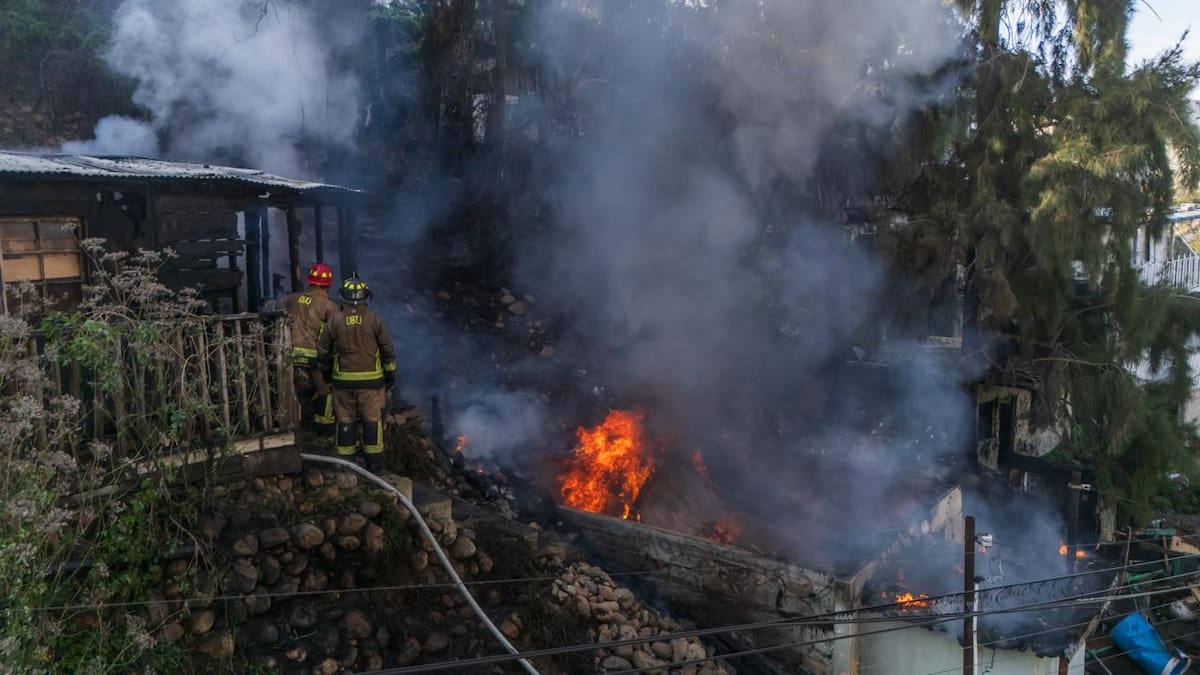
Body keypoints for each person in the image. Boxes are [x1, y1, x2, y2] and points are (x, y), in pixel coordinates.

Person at [318, 274, 398, 472]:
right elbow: (387, 349)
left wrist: (327, 375)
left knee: (345, 420)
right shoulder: (374, 320)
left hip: (343, 382)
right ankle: (375, 468)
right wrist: (390, 375)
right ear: (365, 297)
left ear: (343, 297)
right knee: (372, 421)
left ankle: (345, 467)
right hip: (371, 384)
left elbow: (323, 350)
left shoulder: (335, 320)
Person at [285, 262, 338, 429]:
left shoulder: (293, 298)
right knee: (324, 390)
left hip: (290, 353)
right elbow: (336, 333)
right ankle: (323, 427)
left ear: (310, 282)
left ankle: (293, 423)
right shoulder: (329, 306)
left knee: (293, 389)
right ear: (328, 286)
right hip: (312, 356)